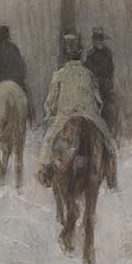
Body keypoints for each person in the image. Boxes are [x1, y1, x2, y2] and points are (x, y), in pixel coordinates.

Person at [40, 31, 118, 188]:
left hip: (65, 116)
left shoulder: (59, 75)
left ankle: (46, 171)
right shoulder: (88, 73)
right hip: (89, 115)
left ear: (66, 55)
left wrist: (49, 112)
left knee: (48, 140)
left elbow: (49, 102)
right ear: (80, 54)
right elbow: (99, 100)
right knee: (109, 141)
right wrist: (96, 111)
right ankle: (111, 173)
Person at [84, 26, 119, 138]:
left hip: (105, 86)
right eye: (96, 40)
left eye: (100, 40)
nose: (98, 42)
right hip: (93, 86)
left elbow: (110, 70)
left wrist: (105, 81)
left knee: (110, 109)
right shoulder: (90, 55)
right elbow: (87, 70)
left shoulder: (108, 54)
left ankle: (110, 133)